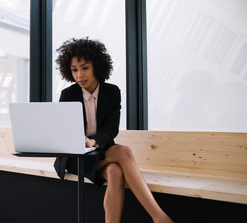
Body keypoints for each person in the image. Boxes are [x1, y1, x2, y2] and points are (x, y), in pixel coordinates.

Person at [54, 37, 173, 223]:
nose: (79, 75)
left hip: (100, 151)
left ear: (97, 66)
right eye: (74, 70)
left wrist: (93, 142)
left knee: (115, 173)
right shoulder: (68, 95)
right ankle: (159, 217)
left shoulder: (112, 92)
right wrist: (81, 140)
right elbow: (64, 131)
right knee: (124, 151)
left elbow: (111, 128)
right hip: (76, 156)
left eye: (85, 68)